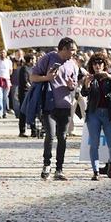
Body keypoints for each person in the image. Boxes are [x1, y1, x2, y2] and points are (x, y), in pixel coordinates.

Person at [30, 36, 81, 179]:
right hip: (49, 104)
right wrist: (47, 78)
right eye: (72, 50)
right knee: (50, 135)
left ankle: (59, 169)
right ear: (64, 49)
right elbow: (32, 77)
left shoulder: (73, 64)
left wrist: (72, 86)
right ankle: (47, 165)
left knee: (63, 137)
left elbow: (75, 86)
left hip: (65, 104)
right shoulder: (48, 58)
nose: (74, 53)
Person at [81, 53, 111, 180]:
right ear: (91, 65)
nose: (97, 66)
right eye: (94, 63)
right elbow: (84, 93)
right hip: (94, 113)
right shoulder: (90, 78)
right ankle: (95, 171)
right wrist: (87, 84)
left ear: (104, 64)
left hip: (109, 114)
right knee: (94, 144)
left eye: (100, 63)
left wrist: (108, 76)